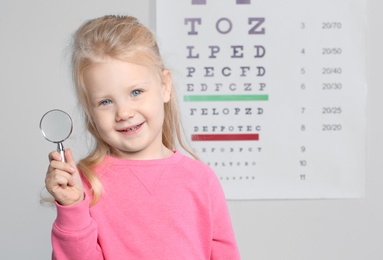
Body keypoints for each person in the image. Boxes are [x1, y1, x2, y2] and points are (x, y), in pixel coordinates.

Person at [45, 15, 240, 259]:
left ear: (165, 86)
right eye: (105, 101)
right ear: (89, 110)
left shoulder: (202, 181)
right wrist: (72, 208)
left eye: (136, 92)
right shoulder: (85, 185)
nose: (124, 113)